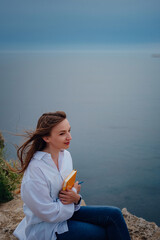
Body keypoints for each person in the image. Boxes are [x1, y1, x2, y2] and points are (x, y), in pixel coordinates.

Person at [13, 111, 131, 240]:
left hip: (66, 213)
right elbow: (48, 214)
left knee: (114, 214)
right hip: (47, 227)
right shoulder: (35, 170)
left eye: (69, 131)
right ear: (47, 138)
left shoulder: (66, 156)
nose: (69, 137)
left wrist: (75, 198)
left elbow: (65, 192)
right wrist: (74, 195)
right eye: (62, 133)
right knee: (103, 233)